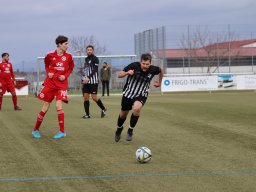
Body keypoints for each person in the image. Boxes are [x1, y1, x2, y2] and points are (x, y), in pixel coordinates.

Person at [32, 35, 74, 139]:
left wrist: (65, 75)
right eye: (65, 44)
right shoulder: (49, 55)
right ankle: (35, 130)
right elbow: (46, 65)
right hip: (50, 84)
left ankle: (62, 131)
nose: (67, 46)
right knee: (45, 108)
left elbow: (71, 68)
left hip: (61, 85)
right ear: (59, 44)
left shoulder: (69, 56)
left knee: (58, 106)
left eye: (67, 44)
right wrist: (49, 72)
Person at [114, 53, 163, 142]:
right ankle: (119, 129)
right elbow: (119, 74)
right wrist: (126, 73)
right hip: (128, 93)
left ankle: (130, 130)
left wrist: (160, 82)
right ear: (140, 62)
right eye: (143, 63)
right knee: (123, 114)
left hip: (141, 93)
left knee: (136, 109)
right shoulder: (133, 65)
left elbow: (160, 70)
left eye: (147, 64)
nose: (145, 66)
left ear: (150, 63)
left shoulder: (153, 69)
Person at [82, 45, 107, 119]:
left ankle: (103, 109)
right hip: (86, 82)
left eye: (90, 50)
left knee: (94, 97)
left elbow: (95, 70)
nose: (89, 51)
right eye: (88, 50)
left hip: (93, 81)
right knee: (85, 97)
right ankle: (87, 114)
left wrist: (89, 78)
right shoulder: (86, 59)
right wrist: (84, 78)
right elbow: (85, 69)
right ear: (86, 51)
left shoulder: (95, 59)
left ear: (93, 51)